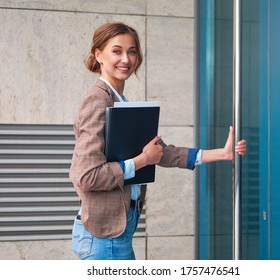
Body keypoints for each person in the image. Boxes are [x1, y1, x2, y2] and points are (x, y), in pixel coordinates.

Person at [69, 22, 247, 260]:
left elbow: (162, 152)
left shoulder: (121, 102)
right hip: (104, 237)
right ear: (98, 54)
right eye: (117, 51)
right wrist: (141, 161)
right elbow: (86, 176)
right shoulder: (97, 101)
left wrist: (221, 153)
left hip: (118, 231)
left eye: (132, 51)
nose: (126, 59)